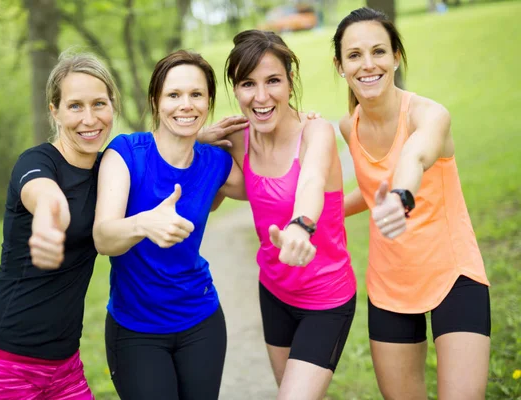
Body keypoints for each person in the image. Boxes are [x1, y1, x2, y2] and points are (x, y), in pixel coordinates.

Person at [333, 7, 490, 399]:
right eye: (354, 55)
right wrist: (311, 216)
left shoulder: (429, 114)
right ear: (340, 66)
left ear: (396, 56)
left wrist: (401, 197)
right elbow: (371, 192)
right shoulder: (347, 127)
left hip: (453, 274)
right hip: (390, 286)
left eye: (378, 51)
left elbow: (415, 157)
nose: (368, 65)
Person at [0, 52, 121, 399]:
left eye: (98, 103)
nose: (89, 118)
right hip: (1, 366)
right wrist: (48, 217)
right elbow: (45, 196)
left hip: (65, 368)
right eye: (75, 106)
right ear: (54, 111)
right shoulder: (36, 161)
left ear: (113, 106)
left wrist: (195, 136)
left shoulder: (110, 169)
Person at [201, 29, 357, 400]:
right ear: (234, 90)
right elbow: (207, 200)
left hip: (326, 298)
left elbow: (312, 180)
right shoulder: (238, 139)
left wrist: (300, 226)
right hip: (274, 293)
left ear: (290, 82)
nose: (261, 96)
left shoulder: (316, 131)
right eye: (247, 84)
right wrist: (199, 144)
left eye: (273, 80)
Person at [93, 50, 246, 400]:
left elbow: (268, 184)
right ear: (155, 101)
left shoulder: (214, 163)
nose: (185, 104)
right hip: (136, 330)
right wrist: (144, 223)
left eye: (196, 95)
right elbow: (103, 238)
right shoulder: (126, 153)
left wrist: (300, 124)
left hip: (201, 320)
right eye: (174, 95)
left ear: (208, 102)